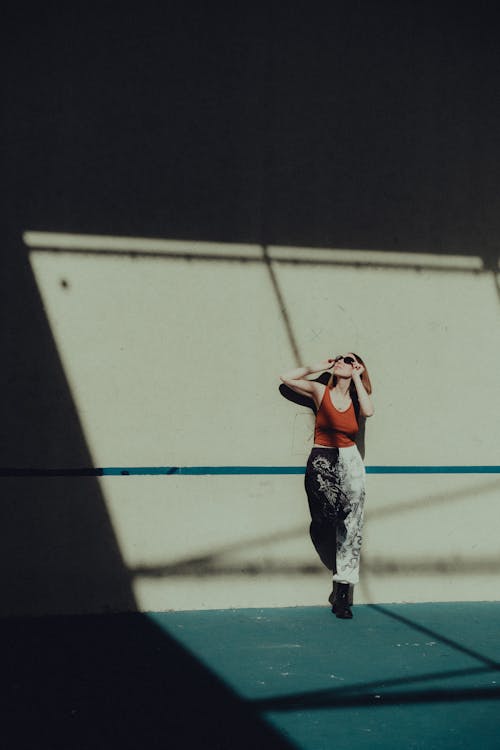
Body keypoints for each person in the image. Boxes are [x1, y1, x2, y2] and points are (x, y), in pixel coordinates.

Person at [280, 354, 374, 619]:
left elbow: (368, 411)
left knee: (352, 525)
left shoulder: (356, 399)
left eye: (351, 360)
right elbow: (286, 378)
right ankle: (325, 531)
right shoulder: (321, 391)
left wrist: (357, 376)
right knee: (327, 515)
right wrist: (321, 366)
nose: (344, 362)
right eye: (342, 360)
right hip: (323, 458)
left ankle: (342, 593)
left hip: (350, 459)